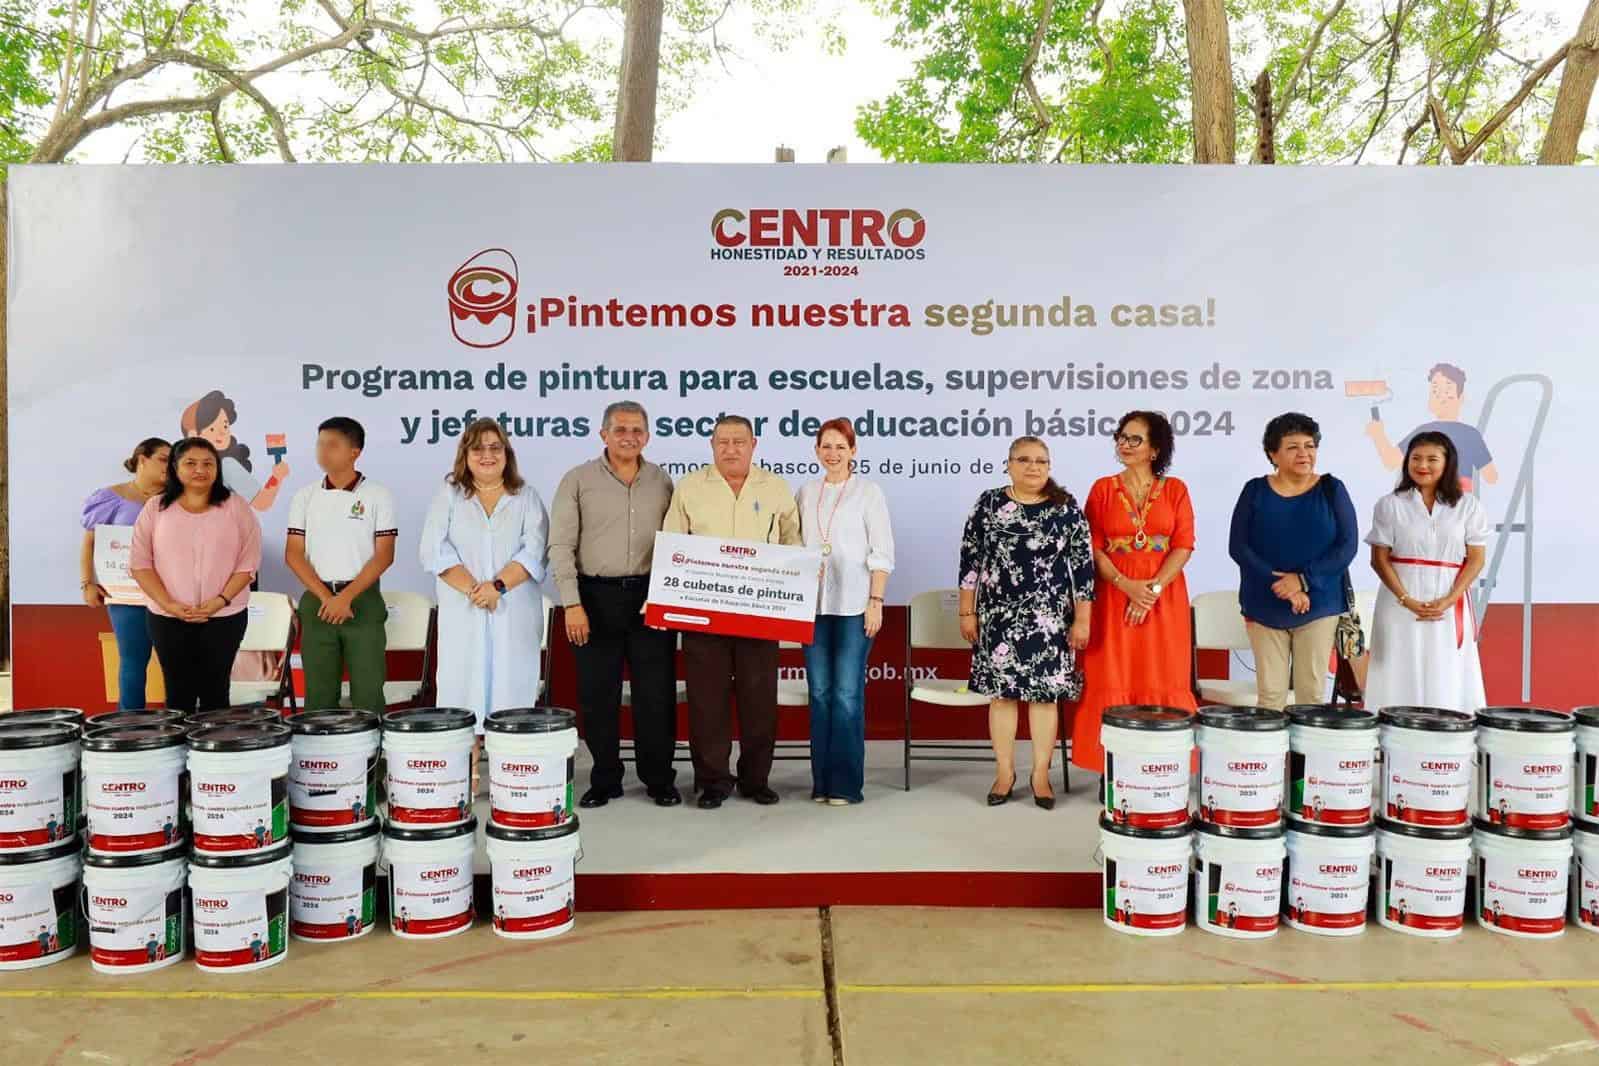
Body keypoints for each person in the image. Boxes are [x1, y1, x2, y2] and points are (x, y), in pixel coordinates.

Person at [661, 415, 801, 809]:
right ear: (712, 444)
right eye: (723, 441)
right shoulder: (690, 487)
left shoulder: (774, 487)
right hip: (704, 613)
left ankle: (756, 780)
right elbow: (673, 545)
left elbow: (794, 541)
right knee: (707, 703)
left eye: (739, 441)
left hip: (760, 612)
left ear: (753, 444)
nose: (731, 449)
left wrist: (798, 573)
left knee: (759, 701)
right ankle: (712, 782)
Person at [548, 401, 681, 809]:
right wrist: (572, 604)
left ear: (648, 435)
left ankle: (659, 778)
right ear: (603, 434)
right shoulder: (578, 480)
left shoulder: (662, 481)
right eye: (621, 429)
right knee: (597, 694)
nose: (630, 437)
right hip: (593, 598)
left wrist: (669, 597)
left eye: (638, 430)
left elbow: (677, 543)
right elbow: (560, 545)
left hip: (650, 598)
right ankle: (605, 778)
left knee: (656, 694)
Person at [958, 436, 1094, 810]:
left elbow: (1083, 570)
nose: (1033, 467)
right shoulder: (988, 503)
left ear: (1049, 467)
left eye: (1041, 461)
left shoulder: (1065, 509)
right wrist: (967, 612)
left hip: (1050, 622)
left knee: (1044, 698)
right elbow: (970, 562)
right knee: (1002, 697)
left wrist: (1082, 619)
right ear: (1009, 464)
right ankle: (1005, 773)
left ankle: (1039, 774)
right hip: (998, 619)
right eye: (1024, 459)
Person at [1072, 412, 1197, 774]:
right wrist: (1127, 585)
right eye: (1121, 438)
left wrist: (1153, 590)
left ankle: (1163, 763)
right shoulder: (1102, 488)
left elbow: (1184, 545)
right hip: (1113, 595)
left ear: (1155, 448)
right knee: (1113, 676)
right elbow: (1092, 548)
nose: (1124, 445)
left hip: (1164, 598)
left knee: (1162, 676)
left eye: (1134, 439)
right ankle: (1109, 766)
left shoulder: (1176, 489)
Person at [419, 419, 549, 735]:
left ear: (507, 453)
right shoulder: (448, 495)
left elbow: (535, 550)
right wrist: (476, 591)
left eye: (495, 447)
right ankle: (470, 774)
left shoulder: (526, 497)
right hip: (464, 609)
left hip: (513, 610)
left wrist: (497, 588)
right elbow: (434, 550)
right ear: (465, 454)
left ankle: (510, 775)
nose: (487, 455)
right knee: (463, 691)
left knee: (512, 690)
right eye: (477, 448)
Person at [795, 418, 895, 806]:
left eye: (840, 446)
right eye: (826, 446)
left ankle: (846, 785)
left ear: (853, 451)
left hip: (855, 606)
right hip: (812, 607)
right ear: (817, 451)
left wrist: (876, 601)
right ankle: (821, 782)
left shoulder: (868, 493)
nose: (832, 453)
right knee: (819, 694)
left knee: (847, 694)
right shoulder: (805, 491)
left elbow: (882, 551)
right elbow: (794, 543)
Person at [1228, 413, 1358, 710]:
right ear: (1273, 454)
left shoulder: (1331, 489)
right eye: (1293, 447)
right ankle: (1270, 759)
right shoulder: (1254, 490)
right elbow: (1238, 547)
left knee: (1311, 697)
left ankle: (1305, 759)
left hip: (1320, 603)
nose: (1304, 454)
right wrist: (1282, 584)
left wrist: (1302, 581)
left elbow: (1347, 546)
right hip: (1265, 602)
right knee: (1270, 697)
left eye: (1310, 446)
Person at [129, 438, 262, 713]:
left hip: (225, 616)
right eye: (190, 463)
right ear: (175, 468)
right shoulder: (155, 508)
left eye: (208, 463)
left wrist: (219, 601)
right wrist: (169, 604)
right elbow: (140, 564)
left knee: (216, 693)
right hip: (168, 617)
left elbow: (248, 564)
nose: (200, 470)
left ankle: (213, 756)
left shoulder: (236, 506)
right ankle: (178, 756)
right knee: (178, 695)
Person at [1363, 432, 1488, 714]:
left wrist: (1449, 599)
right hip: (1399, 600)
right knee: (1398, 665)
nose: (1423, 465)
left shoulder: (1468, 506)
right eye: (1416, 458)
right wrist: (1406, 599)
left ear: (1448, 463)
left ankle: (1449, 738)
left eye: (1432, 459)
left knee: (1447, 668)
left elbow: (1476, 560)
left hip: (1449, 600)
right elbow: (1379, 560)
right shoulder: (1390, 504)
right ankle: (1392, 735)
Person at [285, 418, 398, 713]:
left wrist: (346, 598)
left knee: (368, 692)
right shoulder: (305, 496)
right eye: (320, 443)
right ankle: (318, 758)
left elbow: (384, 555)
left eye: (333, 445)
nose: (323, 451)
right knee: (319, 695)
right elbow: (294, 554)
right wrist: (327, 598)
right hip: (317, 602)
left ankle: (373, 759)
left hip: (362, 600)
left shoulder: (377, 495)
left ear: (354, 452)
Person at [80, 437, 171, 709]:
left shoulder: (179, 498)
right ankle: (128, 729)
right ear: (142, 459)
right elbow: (89, 543)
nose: (171, 466)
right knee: (132, 661)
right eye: (164, 459)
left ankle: (178, 727)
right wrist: (87, 584)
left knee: (177, 662)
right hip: (125, 596)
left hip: (171, 593)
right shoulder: (109, 498)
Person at [1366, 363, 1498, 490]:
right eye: (1435, 391)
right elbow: (1491, 476)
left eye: (1447, 390)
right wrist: (1378, 434)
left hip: (1453, 501)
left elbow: (1491, 476)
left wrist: (1378, 434)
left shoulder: (1428, 433)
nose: (1441, 396)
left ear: (1461, 397)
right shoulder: (1428, 432)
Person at [180, 390, 290, 511]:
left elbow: (261, 502)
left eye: (225, 426)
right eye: (212, 429)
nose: (222, 433)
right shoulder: (227, 466)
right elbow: (262, 502)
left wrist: (276, 477)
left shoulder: (226, 466)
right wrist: (277, 477)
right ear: (193, 435)